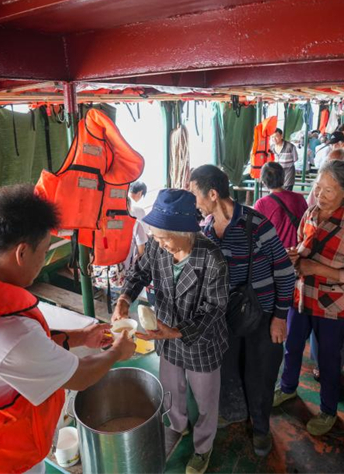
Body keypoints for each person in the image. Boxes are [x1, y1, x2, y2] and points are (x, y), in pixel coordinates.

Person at [0, 184, 136, 474]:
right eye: (45, 251)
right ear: (22, 252)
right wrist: (117, 352)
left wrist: (81, 337)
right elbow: (80, 376)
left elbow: (16, 355)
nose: (44, 260)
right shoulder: (8, 332)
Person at [112, 189, 229, 474]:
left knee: (205, 401)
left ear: (186, 232)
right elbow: (140, 273)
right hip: (164, 332)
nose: (159, 243)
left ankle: (203, 447)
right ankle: (177, 426)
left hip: (200, 341)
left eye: (164, 237)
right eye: (155, 237)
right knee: (170, 389)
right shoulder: (156, 246)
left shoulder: (212, 259)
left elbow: (215, 310)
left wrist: (177, 332)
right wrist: (124, 299)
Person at [189, 165, 295, 457]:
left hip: (262, 315)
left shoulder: (256, 224)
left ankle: (260, 429)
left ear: (212, 194)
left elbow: (285, 272)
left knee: (260, 374)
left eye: (195, 193)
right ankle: (235, 411)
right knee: (228, 368)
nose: (193, 201)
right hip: (226, 317)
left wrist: (280, 317)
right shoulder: (207, 230)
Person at [273, 160, 344, 437]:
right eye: (318, 188)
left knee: (328, 360)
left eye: (329, 190)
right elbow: (302, 246)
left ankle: (328, 410)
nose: (320, 195)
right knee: (292, 346)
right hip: (302, 297)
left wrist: (318, 269)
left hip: (333, 307)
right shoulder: (311, 214)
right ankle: (288, 387)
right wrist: (294, 256)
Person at [254, 162, 308, 249]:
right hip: (297, 251)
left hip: (276, 254)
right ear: (283, 178)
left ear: (263, 182)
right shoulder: (299, 198)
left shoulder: (261, 204)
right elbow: (307, 223)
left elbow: (256, 234)